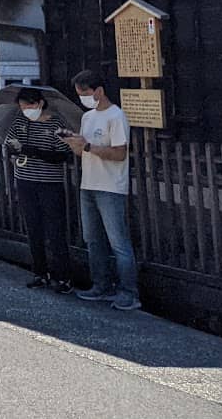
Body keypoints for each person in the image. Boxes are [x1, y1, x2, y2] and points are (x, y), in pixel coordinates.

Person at [66, 69, 140, 311]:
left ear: (99, 90)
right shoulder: (87, 118)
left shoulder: (116, 116)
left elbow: (119, 153)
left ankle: (129, 292)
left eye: (85, 93)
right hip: (88, 183)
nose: (83, 97)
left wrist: (88, 147)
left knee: (118, 241)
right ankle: (101, 285)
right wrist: (74, 143)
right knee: (93, 240)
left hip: (110, 186)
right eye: (79, 94)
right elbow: (83, 151)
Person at [5, 89, 73, 293]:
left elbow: (62, 155)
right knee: (33, 229)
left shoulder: (56, 123)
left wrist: (29, 150)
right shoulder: (19, 122)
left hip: (50, 183)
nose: (26, 110)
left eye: (30, 106)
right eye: (23, 107)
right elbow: (9, 145)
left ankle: (63, 277)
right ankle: (40, 273)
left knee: (55, 230)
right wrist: (15, 151)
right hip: (25, 180)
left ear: (40, 103)